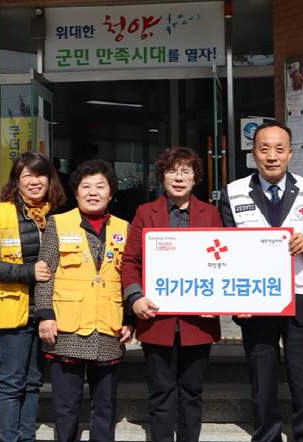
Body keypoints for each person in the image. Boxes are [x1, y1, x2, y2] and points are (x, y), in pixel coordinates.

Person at [220, 120, 303, 442]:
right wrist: (236, 303)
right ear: (253, 153)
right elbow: (225, 252)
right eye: (264, 149)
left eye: (279, 149)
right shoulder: (233, 192)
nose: (272, 156)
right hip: (257, 301)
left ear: (290, 153)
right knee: (262, 380)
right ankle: (266, 437)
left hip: (301, 297)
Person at [122, 146, 223, 442]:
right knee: (160, 391)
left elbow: (222, 263)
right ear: (162, 177)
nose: (179, 178)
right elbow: (131, 261)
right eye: (172, 171)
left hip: (198, 321)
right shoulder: (145, 212)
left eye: (186, 172)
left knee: (192, 391)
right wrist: (135, 296)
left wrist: (218, 299)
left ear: (196, 179)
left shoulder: (211, 213)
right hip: (157, 319)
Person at [34, 159, 134, 442]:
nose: (93, 192)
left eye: (100, 186)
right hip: (67, 327)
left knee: (105, 405)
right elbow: (46, 273)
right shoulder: (58, 223)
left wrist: (129, 318)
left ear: (111, 193)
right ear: (75, 193)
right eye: (85, 186)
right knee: (66, 406)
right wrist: (45, 314)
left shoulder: (124, 228)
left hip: (108, 326)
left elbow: (129, 276)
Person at [0, 152, 66, 442]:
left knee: (34, 382)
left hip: (46, 313)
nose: (34, 181)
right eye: (26, 175)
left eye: (39, 174)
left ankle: (26, 437)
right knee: (12, 382)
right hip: (10, 311)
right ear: (17, 181)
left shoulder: (60, 215)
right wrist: (28, 271)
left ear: (49, 179)